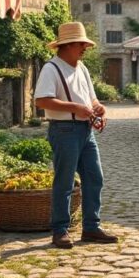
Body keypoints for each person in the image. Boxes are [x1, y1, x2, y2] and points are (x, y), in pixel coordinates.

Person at [33, 22, 118, 249]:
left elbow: (92, 99)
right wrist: (75, 108)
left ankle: (91, 227)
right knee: (65, 181)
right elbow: (41, 100)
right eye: (81, 44)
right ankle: (59, 230)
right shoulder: (51, 68)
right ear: (68, 45)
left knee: (94, 177)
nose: (85, 48)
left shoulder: (81, 68)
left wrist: (99, 108)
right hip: (64, 131)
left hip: (85, 131)